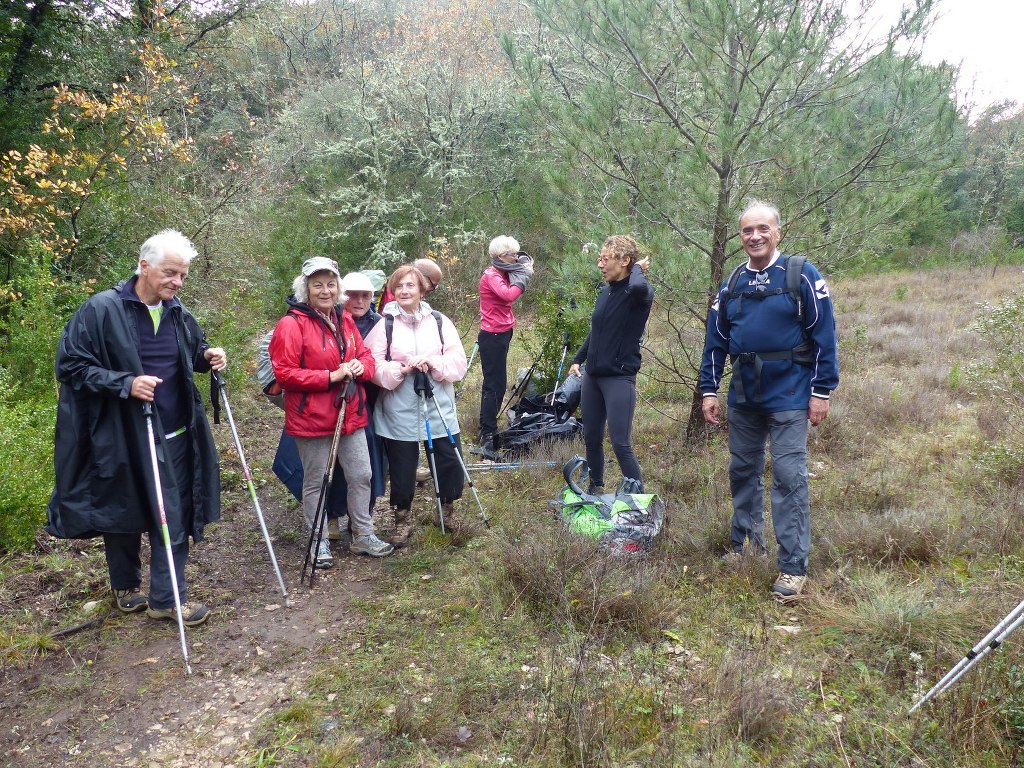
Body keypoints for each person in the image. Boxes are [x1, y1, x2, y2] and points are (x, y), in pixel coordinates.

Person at [47, 229, 225, 627]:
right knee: (122, 509)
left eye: (183, 276)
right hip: (121, 436)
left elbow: (190, 354)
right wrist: (125, 384)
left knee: (172, 514)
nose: (177, 283)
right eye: (171, 273)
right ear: (144, 266)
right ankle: (126, 588)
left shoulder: (178, 311)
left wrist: (208, 356)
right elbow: (71, 366)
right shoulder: (100, 310)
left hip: (175, 433)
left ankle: (166, 598)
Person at [699, 200, 839, 602]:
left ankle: (792, 567)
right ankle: (745, 543)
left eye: (763, 228)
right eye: (747, 230)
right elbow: (716, 341)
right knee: (742, 470)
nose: (755, 236)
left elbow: (825, 336)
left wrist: (821, 391)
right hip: (744, 395)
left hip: (791, 395)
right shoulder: (733, 283)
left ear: (778, 232)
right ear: (740, 237)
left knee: (789, 477)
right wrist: (710, 389)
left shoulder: (801, 275)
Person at [269, 257, 394, 564]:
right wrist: (330, 377)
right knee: (316, 481)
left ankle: (363, 535)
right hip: (310, 417)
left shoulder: (344, 320)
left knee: (362, 474)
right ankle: (318, 540)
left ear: (338, 288)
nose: (325, 291)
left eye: (330, 284)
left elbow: (366, 358)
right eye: (317, 285)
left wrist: (357, 366)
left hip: (349, 413)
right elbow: (284, 374)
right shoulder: (291, 324)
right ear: (306, 288)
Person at [364, 264, 468, 545]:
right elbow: (372, 367)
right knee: (402, 466)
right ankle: (403, 518)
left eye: (410, 285)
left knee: (448, 460)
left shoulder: (439, 321)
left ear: (423, 289)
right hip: (398, 408)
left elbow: (459, 363)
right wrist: (402, 369)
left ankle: (447, 510)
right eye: (398, 286)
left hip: (438, 406)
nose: (404, 291)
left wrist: (433, 362)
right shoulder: (383, 324)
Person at [567, 235, 654, 495]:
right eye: (599, 259)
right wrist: (577, 359)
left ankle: (638, 500)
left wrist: (637, 268)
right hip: (593, 377)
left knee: (620, 443)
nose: (600, 265)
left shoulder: (639, 293)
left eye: (606, 259)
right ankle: (596, 489)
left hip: (619, 378)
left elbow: (638, 286)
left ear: (625, 261)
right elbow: (596, 330)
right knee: (591, 438)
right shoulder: (606, 292)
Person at [477, 236, 534, 454]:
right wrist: (525, 275)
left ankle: (487, 429)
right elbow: (508, 295)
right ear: (501, 256)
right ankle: (488, 434)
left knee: (494, 383)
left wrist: (522, 270)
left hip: (502, 332)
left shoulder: (503, 272)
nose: (516, 258)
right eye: (513, 254)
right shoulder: (492, 275)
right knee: (495, 385)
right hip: (492, 335)